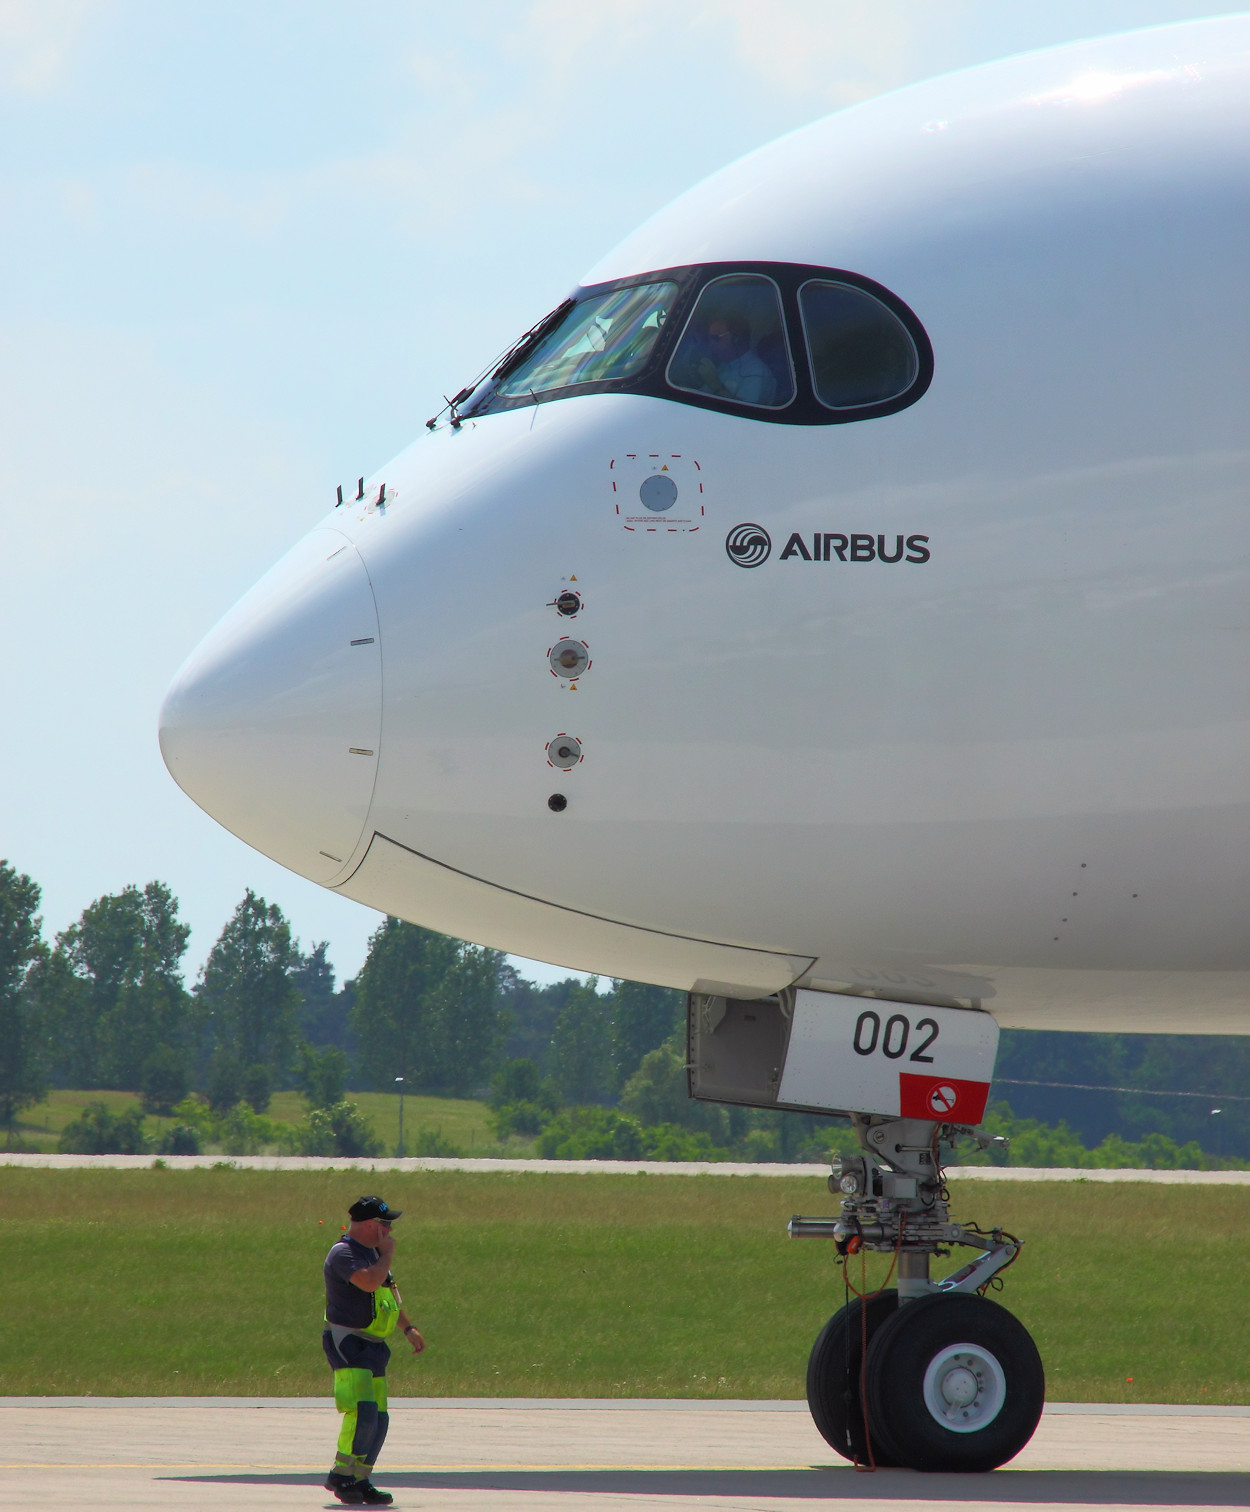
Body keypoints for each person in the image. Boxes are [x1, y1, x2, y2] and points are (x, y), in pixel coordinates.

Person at [322, 1195, 425, 1506]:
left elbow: (387, 1294)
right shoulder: (345, 1253)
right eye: (385, 1224)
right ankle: (341, 1475)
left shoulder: (372, 1254)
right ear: (370, 1225)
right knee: (362, 1411)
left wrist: (407, 1328)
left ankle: (362, 1478)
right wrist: (387, 1255)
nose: (390, 1230)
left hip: (375, 1345)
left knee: (379, 1417)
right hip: (349, 1342)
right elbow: (369, 1283)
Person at [690, 315, 776, 406]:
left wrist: (715, 384)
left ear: (736, 339)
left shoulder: (757, 372)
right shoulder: (724, 365)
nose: (711, 344)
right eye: (709, 339)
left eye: (715, 338)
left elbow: (743, 413)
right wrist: (698, 381)